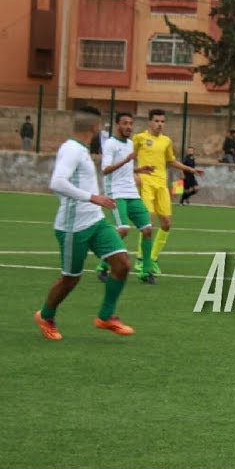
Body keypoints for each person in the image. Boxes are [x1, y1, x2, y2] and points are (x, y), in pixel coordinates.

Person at [33, 106, 134, 340]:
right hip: (72, 227)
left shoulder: (81, 149)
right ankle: (46, 315)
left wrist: (94, 202)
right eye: (101, 127)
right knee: (70, 279)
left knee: (122, 263)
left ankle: (106, 316)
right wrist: (92, 197)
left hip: (95, 221)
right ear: (94, 127)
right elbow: (57, 182)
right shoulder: (71, 149)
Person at [133, 108, 203, 275]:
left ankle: (154, 258)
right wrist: (134, 173)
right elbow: (129, 157)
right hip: (146, 183)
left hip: (161, 185)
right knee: (147, 223)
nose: (160, 124)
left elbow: (171, 161)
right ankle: (142, 258)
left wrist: (190, 170)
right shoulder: (140, 138)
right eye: (157, 121)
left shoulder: (166, 141)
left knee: (166, 223)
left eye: (162, 121)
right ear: (150, 122)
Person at [95, 112, 158, 284]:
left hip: (131, 192)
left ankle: (146, 272)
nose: (128, 126)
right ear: (117, 125)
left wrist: (140, 169)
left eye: (131, 123)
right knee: (123, 229)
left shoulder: (130, 143)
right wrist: (125, 161)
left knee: (147, 229)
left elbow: (126, 169)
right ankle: (103, 265)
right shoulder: (110, 144)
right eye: (125, 123)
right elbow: (105, 169)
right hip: (115, 192)